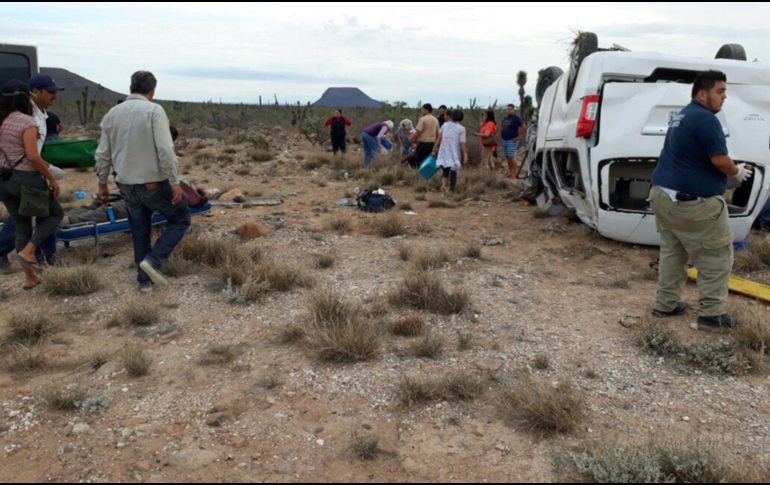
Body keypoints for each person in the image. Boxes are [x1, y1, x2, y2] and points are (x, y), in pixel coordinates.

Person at [649, 70, 752, 329]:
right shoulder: (706, 119)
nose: (724, 97)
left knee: (674, 252)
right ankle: (711, 315)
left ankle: (666, 304)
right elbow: (719, 159)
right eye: (720, 91)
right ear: (702, 93)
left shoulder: (682, 115)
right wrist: (736, 172)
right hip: (694, 204)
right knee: (716, 256)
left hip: (663, 196)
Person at [95, 71, 190, 292]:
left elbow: (102, 152)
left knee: (139, 229)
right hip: (152, 184)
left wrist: (102, 182)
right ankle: (154, 261)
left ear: (131, 87)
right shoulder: (154, 110)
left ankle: (144, 282)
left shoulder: (112, 114)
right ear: (152, 91)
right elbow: (166, 149)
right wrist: (174, 181)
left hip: (125, 184)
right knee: (181, 219)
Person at [0, 80, 63, 290]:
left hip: (4, 180)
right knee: (54, 214)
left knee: (21, 225)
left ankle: (30, 278)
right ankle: (30, 251)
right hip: (26, 180)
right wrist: (52, 178)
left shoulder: (2, 121)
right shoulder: (27, 122)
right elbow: (33, 157)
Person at [432, 109, 468, 194]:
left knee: (445, 169)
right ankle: (451, 189)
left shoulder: (445, 125)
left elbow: (439, 138)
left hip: (444, 151)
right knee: (453, 171)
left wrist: (434, 149)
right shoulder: (461, 129)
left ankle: (443, 185)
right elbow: (462, 143)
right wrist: (465, 155)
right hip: (454, 152)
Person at [406, 104, 440, 168]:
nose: (421, 111)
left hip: (423, 144)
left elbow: (418, 131)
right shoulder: (436, 120)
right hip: (432, 144)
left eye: (422, 109)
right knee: (425, 161)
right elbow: (438, 135)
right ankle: (424, 175)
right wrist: (435, 147)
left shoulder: (423, 119)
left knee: (415, 160)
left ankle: (417, 174)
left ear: (426, 110)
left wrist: (412, 139)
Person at [500, 104, 526, 178]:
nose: (509, 110)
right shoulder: (505, 118)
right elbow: (503, 128)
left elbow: (523, 126)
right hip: (505, 140)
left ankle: (516, 172)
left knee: (511, 157)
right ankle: (511, 171)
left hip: (512, 140)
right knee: (508, 157)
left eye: (510, 109)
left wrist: (519, 137)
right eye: (508, 109)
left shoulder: (516, 118)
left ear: (514, 110)